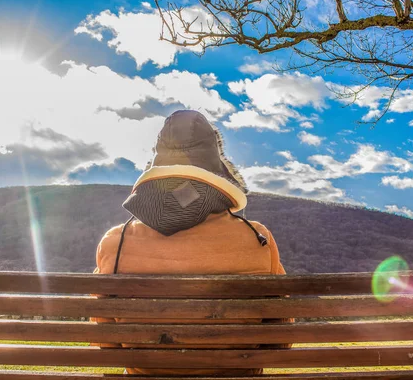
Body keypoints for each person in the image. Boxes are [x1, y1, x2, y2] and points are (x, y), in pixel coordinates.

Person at [92, 110, 290, 375]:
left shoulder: (116, 241)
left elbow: (106, 340)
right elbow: (280, 336)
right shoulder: (257, 238)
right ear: (217, 171)